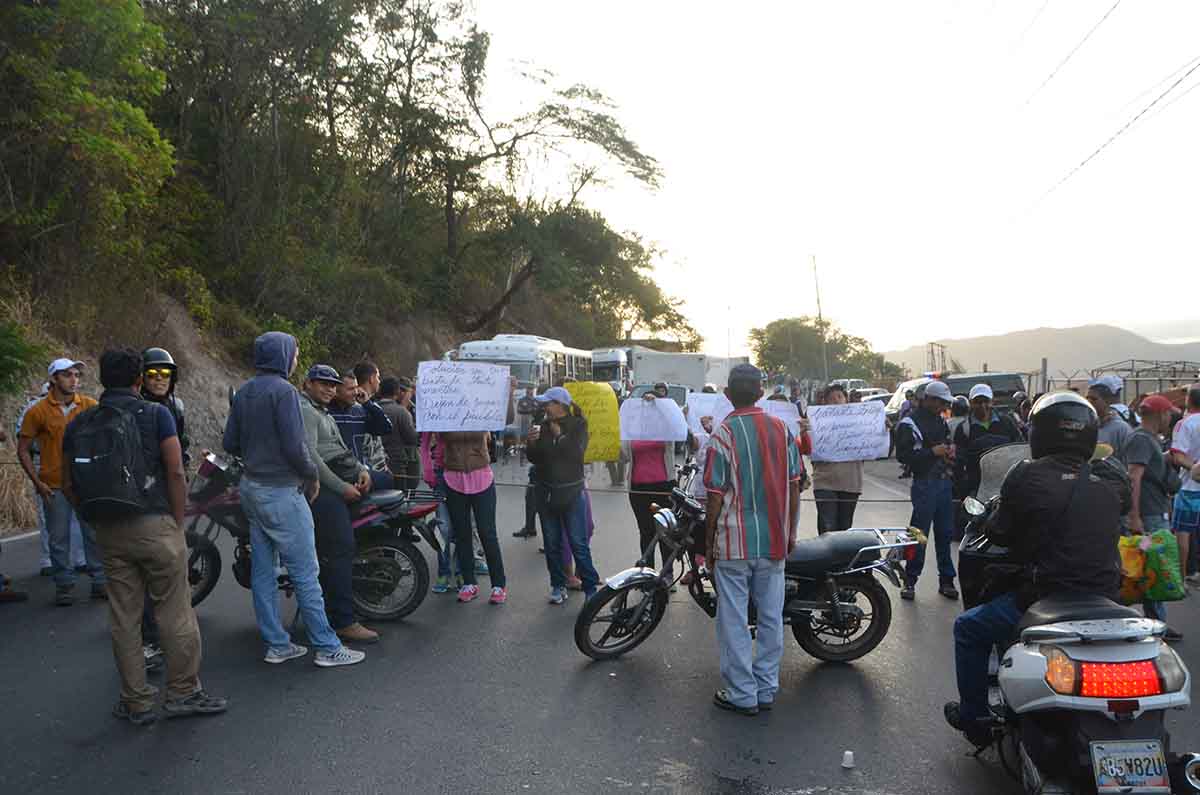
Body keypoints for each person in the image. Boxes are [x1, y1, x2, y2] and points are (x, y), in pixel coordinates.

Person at [944, 392, 1130, 747]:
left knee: (968, 628)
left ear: (1039, 433)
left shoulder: (1027, 474)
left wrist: (991, 520)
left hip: (1048, 595)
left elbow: (1000, 531)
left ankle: (975, 716)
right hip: (1107, 598)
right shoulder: (1110, 480)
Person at [61, 348, 227, 725]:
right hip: (155, 524)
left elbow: (66, 482)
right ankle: (183, 693)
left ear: (101, 380)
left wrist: (90, 518)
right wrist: (177, 518)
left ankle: (135, 701)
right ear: (138, 380)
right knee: (175, 610)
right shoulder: (156, 414)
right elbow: (174, 472)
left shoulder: (81, 421)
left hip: (108, 529)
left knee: (124, 617)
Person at [223, 332, 364, 668]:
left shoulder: (245, 391)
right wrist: (311, 475)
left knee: (264, 571)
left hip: (252, 489)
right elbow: (295, 445)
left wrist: (257, 451)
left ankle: (277, 644)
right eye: (295, 353)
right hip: (283, 492)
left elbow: (230, 442)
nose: (296, 359)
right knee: (305, 570)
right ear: (283, 356)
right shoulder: (284, 392)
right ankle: (327, 647)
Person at [703, 364, 802, 716]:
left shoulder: (723, 434)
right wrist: (791, 532)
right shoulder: (782, 429)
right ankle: (766, 688)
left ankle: (742, 693)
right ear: (761, 393)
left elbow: (714, 495)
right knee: (772, 618)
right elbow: (795, 486)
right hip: (774, 540)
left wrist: (708, 542)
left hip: (733, 542)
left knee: (732, 619)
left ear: (728, 395)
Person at [299, 364, 381, 645]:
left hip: (344, 475)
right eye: (322, 383)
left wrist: (363, 470)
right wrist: (342, 487)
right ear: (307, 383)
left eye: (333, 384)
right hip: (323, 489)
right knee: (341, 548)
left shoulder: (323, 412)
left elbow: (342, 450)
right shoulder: (307, 412)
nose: (329, 388)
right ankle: (344, 621)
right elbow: (312, 459)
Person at [17, 358, 107, 605]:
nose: (74, 379)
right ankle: (64, 585)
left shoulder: (90, 406)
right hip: (53, 484)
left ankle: (100, 582)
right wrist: (37, 482)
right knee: (58, 538)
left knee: (93, 534)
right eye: (67, 374)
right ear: (54, 379)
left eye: (76, 375)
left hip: (85, 483)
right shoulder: (37, 411)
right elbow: (23, 448)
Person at [137, 347, 192, 671]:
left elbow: (181, 446)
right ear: (142, 377)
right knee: (150, 571)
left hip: (167, 491)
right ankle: (149, 638)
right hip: (146, 496)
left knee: (168, 568)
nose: (159, 380)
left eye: (165, 374)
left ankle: (161, 634)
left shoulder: (176, 406)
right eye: (153, 374)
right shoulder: (137, 408)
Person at [433, 400, 513, 604]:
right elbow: (431, 428)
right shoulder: (445, 412)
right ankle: (469, 582)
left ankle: (498, 585)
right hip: (453, 477)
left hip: (481, 478)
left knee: (487, 533)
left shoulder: (483, 410)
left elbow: (507, 418)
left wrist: (509, 394)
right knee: (462, 533)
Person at [526, 386, 600, 604]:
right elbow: (535, 458)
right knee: (551, 543)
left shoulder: (578, 424)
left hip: (572, 492)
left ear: (559, 405)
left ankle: (590, 589)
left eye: (548, 403)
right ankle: (557, 586)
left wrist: (561, 437)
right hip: (546, 492)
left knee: (578, 543)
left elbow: (578, 455)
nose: (544, 407)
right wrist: (530, 442)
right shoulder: (543, 424)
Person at [1125, 394, 1183, 641]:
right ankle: (1155, 624)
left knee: (1150, 568)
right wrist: (1134, 516)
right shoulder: (1141, 440)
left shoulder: (1149, 440)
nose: (1170, 418)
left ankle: (1155, 621)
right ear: (1160, 414)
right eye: (1169, 414)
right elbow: (1134, 477)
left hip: (1152, 514)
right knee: (1152, 567)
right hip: (1148, 518)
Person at [895, 380, 958, 600]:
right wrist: (933, 452)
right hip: (924, 484)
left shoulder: (941, 422)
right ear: (929, 399)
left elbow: (946, 448)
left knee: (945, 533)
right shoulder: (909, 423)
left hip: (944, 483)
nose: (943, 407)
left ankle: (947, 580)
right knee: (918, 534)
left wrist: (949, 453)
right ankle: (910, 581)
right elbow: (904, 456)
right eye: (940, 402)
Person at [17, 382, 87, 577]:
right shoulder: (34, 409)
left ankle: (80, 559)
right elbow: (23, 442)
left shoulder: (82, 405)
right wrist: (36, 477)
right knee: (51, 521)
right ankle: (49, 561)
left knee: (77, 520)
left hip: (74, 465)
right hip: (45, 463)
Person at [623, 388, 685, 569]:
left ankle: (666, 573)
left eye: (651, 404)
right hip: (638, 488)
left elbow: (677, 425)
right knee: (646, 532)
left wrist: (659, 406)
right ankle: (646, 573)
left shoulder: (666, 426)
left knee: (665, 532)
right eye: (644, 404)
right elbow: (624, 456)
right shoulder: (633, 427)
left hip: (663, 486)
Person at [953, 384, 1023, 501]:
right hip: (977, 488)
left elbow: (1019, 448)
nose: (982, 406)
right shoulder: (964, 428)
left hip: (1005, 483)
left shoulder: (1007, 422)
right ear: (970, 403)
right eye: (977, 402)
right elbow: (959, 462)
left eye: (986, 401)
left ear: (992, 402)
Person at [811, 384, 865, 534]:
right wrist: (804, 431)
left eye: (839, 397)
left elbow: (874, 445)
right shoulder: (816, 421)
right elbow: (806, 448)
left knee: (845, 529)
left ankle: (842, 558)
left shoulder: (861, 421)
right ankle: (827, 558)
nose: (836, 401)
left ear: (846, 400)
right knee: (827, 530)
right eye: (831, 398)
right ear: (825, 403)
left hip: (851, 483)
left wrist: (883, 428)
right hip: (825, 482)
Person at [328, 369, 393, 491]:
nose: (356, 392)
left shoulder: (360, 411)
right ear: (336, 391)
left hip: (360, 471)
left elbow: (386, 428)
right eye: (350, 389)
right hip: (336, 473)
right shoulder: (326, 413)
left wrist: (368, 403)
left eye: (356, 387)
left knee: (387, 480)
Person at [1168, 385, 1200, 586]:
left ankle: (1180, 577)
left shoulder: (1184, 424)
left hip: (1189, 488)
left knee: (1183, 532)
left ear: (1189, 400)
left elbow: (1178, 455)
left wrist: (1195, 468)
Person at [377, 377, 421, 491]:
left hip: (378, 463)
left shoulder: (373, 408)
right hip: (398, 465)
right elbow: (413, 439)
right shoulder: (401, 412)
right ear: (397, 392)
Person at [1087, 376, 1132, 456]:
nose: (1089, 402)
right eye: (1087, 398)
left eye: (1094, 399)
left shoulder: (1121, 428)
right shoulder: (1088, 425)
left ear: (1107, 401)